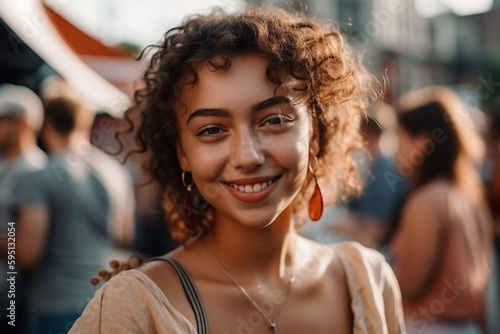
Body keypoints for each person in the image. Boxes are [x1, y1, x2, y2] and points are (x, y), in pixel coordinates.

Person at [71, 6, 405, 334]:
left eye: (274, 120)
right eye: (212, 130)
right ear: (183, 155)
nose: (247, 156)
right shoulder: (133, 309)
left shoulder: (367, 282)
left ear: (315, 136)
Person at [12, 83, 135, 334]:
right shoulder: (115, 171)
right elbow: (124, 235)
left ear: (46, 126)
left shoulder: (39, 176)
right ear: (85, 121)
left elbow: (27, 253)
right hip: (104, 303)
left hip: (53, 307)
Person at [389, 86, 493, 334]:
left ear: (422, 142)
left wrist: (364, 267)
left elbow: (411, 285)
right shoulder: (469, 192)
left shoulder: (425, 201)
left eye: (400, 138)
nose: (395, 150)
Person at [0, 84, 46, 334]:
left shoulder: (34, 171)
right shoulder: (7, 164)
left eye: (2, 120)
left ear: (21, 124)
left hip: (13, 295)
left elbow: (29, 250)